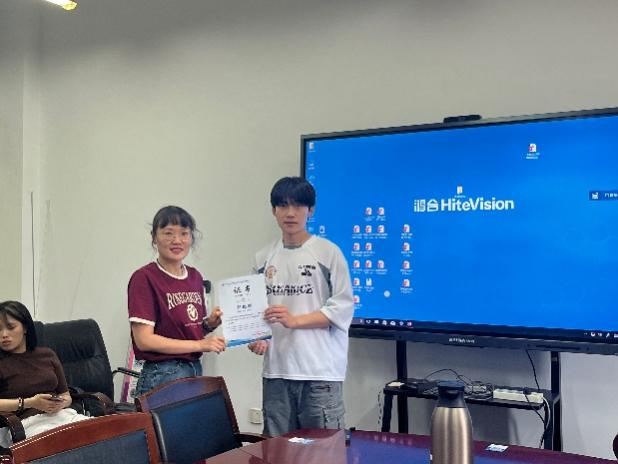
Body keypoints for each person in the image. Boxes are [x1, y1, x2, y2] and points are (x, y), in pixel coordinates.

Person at [248, 177, 354, 436]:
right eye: (283, 206)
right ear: (274, 210)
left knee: (324, 450)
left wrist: (294, 321)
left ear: (311, 210)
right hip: (276, 372)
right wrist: (255, 337)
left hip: (319, 373)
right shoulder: (262, 258)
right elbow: (254, 312)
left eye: (298, 206)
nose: (290, 213)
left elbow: (342, 308)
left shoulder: (328, 253)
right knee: (276, 449)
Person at [128, 205, 226, 396]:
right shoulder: (145, 278)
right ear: (154, 237)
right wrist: (200, 345)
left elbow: (186, 332)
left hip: (193, 370)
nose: (177, 240)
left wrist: (209, 324)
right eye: (168, 233)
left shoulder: (195, 277)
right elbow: (144, 340)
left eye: (184, 233)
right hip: (162, 374)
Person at [0, 300, 89, 447]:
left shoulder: (47, 355)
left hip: (62, 415)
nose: (4, 335)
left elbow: (66, 395)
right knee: (63, 446)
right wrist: (30, 402)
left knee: (103, 433)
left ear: (25, 327)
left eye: (10, 327)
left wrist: (61, 403)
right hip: (24, 425)